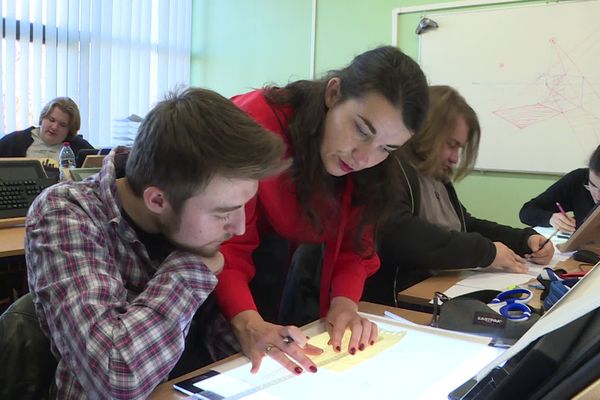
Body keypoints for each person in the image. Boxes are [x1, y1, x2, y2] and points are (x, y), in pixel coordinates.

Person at [24, 88, 288, 399]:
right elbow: (116, 376)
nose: (239, 227)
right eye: (224, 212)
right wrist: (191, 269)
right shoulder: (66, 212)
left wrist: (259, 339)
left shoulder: (194, 221)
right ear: (158, 200)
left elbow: (212, 338)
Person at [215, 46, 429, 375]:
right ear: (334, 93)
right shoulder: (257, 124)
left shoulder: (370, 166)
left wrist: (345, 304)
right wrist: (248, 323)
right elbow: (225, 242)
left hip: (265, 266)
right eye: (361, 129)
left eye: (386, 148)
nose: (363, 158)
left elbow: (355, 244)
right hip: (197, 266)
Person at [362, 85, 555, 307]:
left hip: (440, 290)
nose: (455, 158)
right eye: (451, 145)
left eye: (459, 148)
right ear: (428, 131)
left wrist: (524, 240)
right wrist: (487, 252)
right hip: (396, 303)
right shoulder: (391, 168)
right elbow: (402, 234)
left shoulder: (436, 176)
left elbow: (465, 225)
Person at [519, 145, 600, 233]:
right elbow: (527, 211)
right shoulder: (579, 179)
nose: (598, 196)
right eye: (592, 185)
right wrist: (551, 218)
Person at [0, 96, 94, 161]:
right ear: (43, 118)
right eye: (51, 120)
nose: (54, 127)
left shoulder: (79, 147)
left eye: (62, 125)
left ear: (69, 130)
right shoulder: (15, 140)